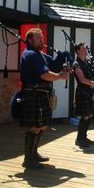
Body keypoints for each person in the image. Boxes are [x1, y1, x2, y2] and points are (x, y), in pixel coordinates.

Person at [19, 28, 70, 169]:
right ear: (30, 40)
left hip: (42, 94)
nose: (42, 40)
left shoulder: (40, 54)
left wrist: (62, 56)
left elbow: (52, 64)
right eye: (38, 38)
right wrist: (60, 76)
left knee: (43, 125)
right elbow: (45, 74)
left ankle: (34, 154)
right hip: (33, 94)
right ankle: (28, 159)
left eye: (42, 37)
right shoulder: (30, 54)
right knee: (34, 127)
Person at [73, 43, 94, 148]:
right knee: (85, 116)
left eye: (86, 48)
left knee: (90, 115)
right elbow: (82, 80)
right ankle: (79, 139)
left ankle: (84, 137)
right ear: (78, 51)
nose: (86, 50)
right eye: (83, 49)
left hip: (89, 92)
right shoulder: (76, 64)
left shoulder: (86, 63)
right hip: (82, 92)